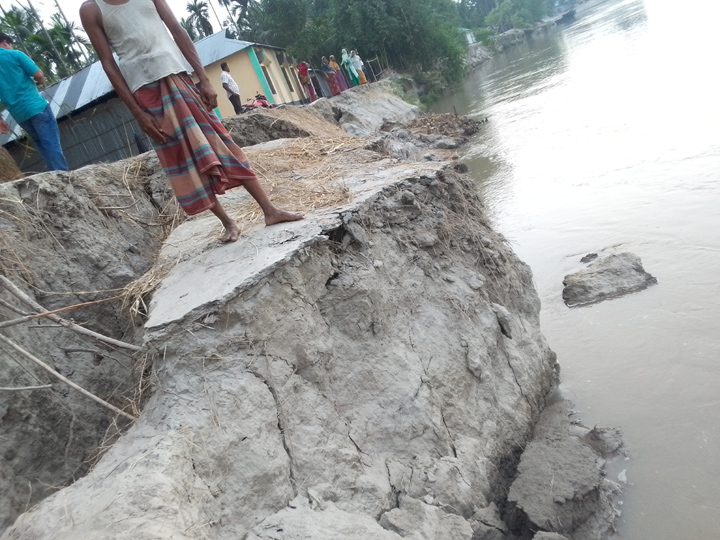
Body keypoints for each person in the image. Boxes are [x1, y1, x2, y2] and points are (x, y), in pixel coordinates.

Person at [79, 0, 301, 243]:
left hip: (178, 78)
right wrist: (138, 114)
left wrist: (203, 79)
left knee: (219, 141)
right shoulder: (91, 10)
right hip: (145, 93)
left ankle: (269, 210)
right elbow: (109, 65)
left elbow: (177, 31)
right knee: (183, 158)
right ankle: (227, 222)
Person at [0, 32, 69, 171]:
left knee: (41, 144)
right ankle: (63, 175)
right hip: (36, 107)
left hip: (19, 114)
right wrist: (41, 81)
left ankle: (56, 174)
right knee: (51, 143)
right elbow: (38, 75)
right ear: (5, 42)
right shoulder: (15, 55)